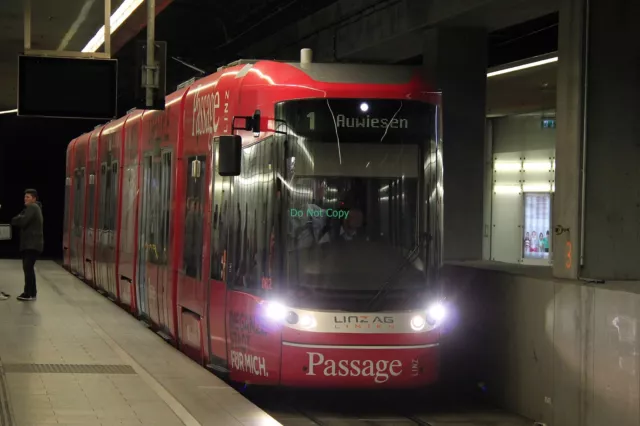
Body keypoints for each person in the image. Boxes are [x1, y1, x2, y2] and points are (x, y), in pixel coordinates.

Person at [11, 189, 44, 301]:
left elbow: (20, 221)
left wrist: (19, 218)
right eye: (25, 197)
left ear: (34, 199)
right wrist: (19, 218)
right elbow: (17, 219)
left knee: (28, 268)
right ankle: (31, 293)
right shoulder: (32, 208)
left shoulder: (33, 208)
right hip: (31, 244)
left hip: (32, 244)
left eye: (28, 197)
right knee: (29, 268)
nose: (25, 199)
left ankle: (28, 293)